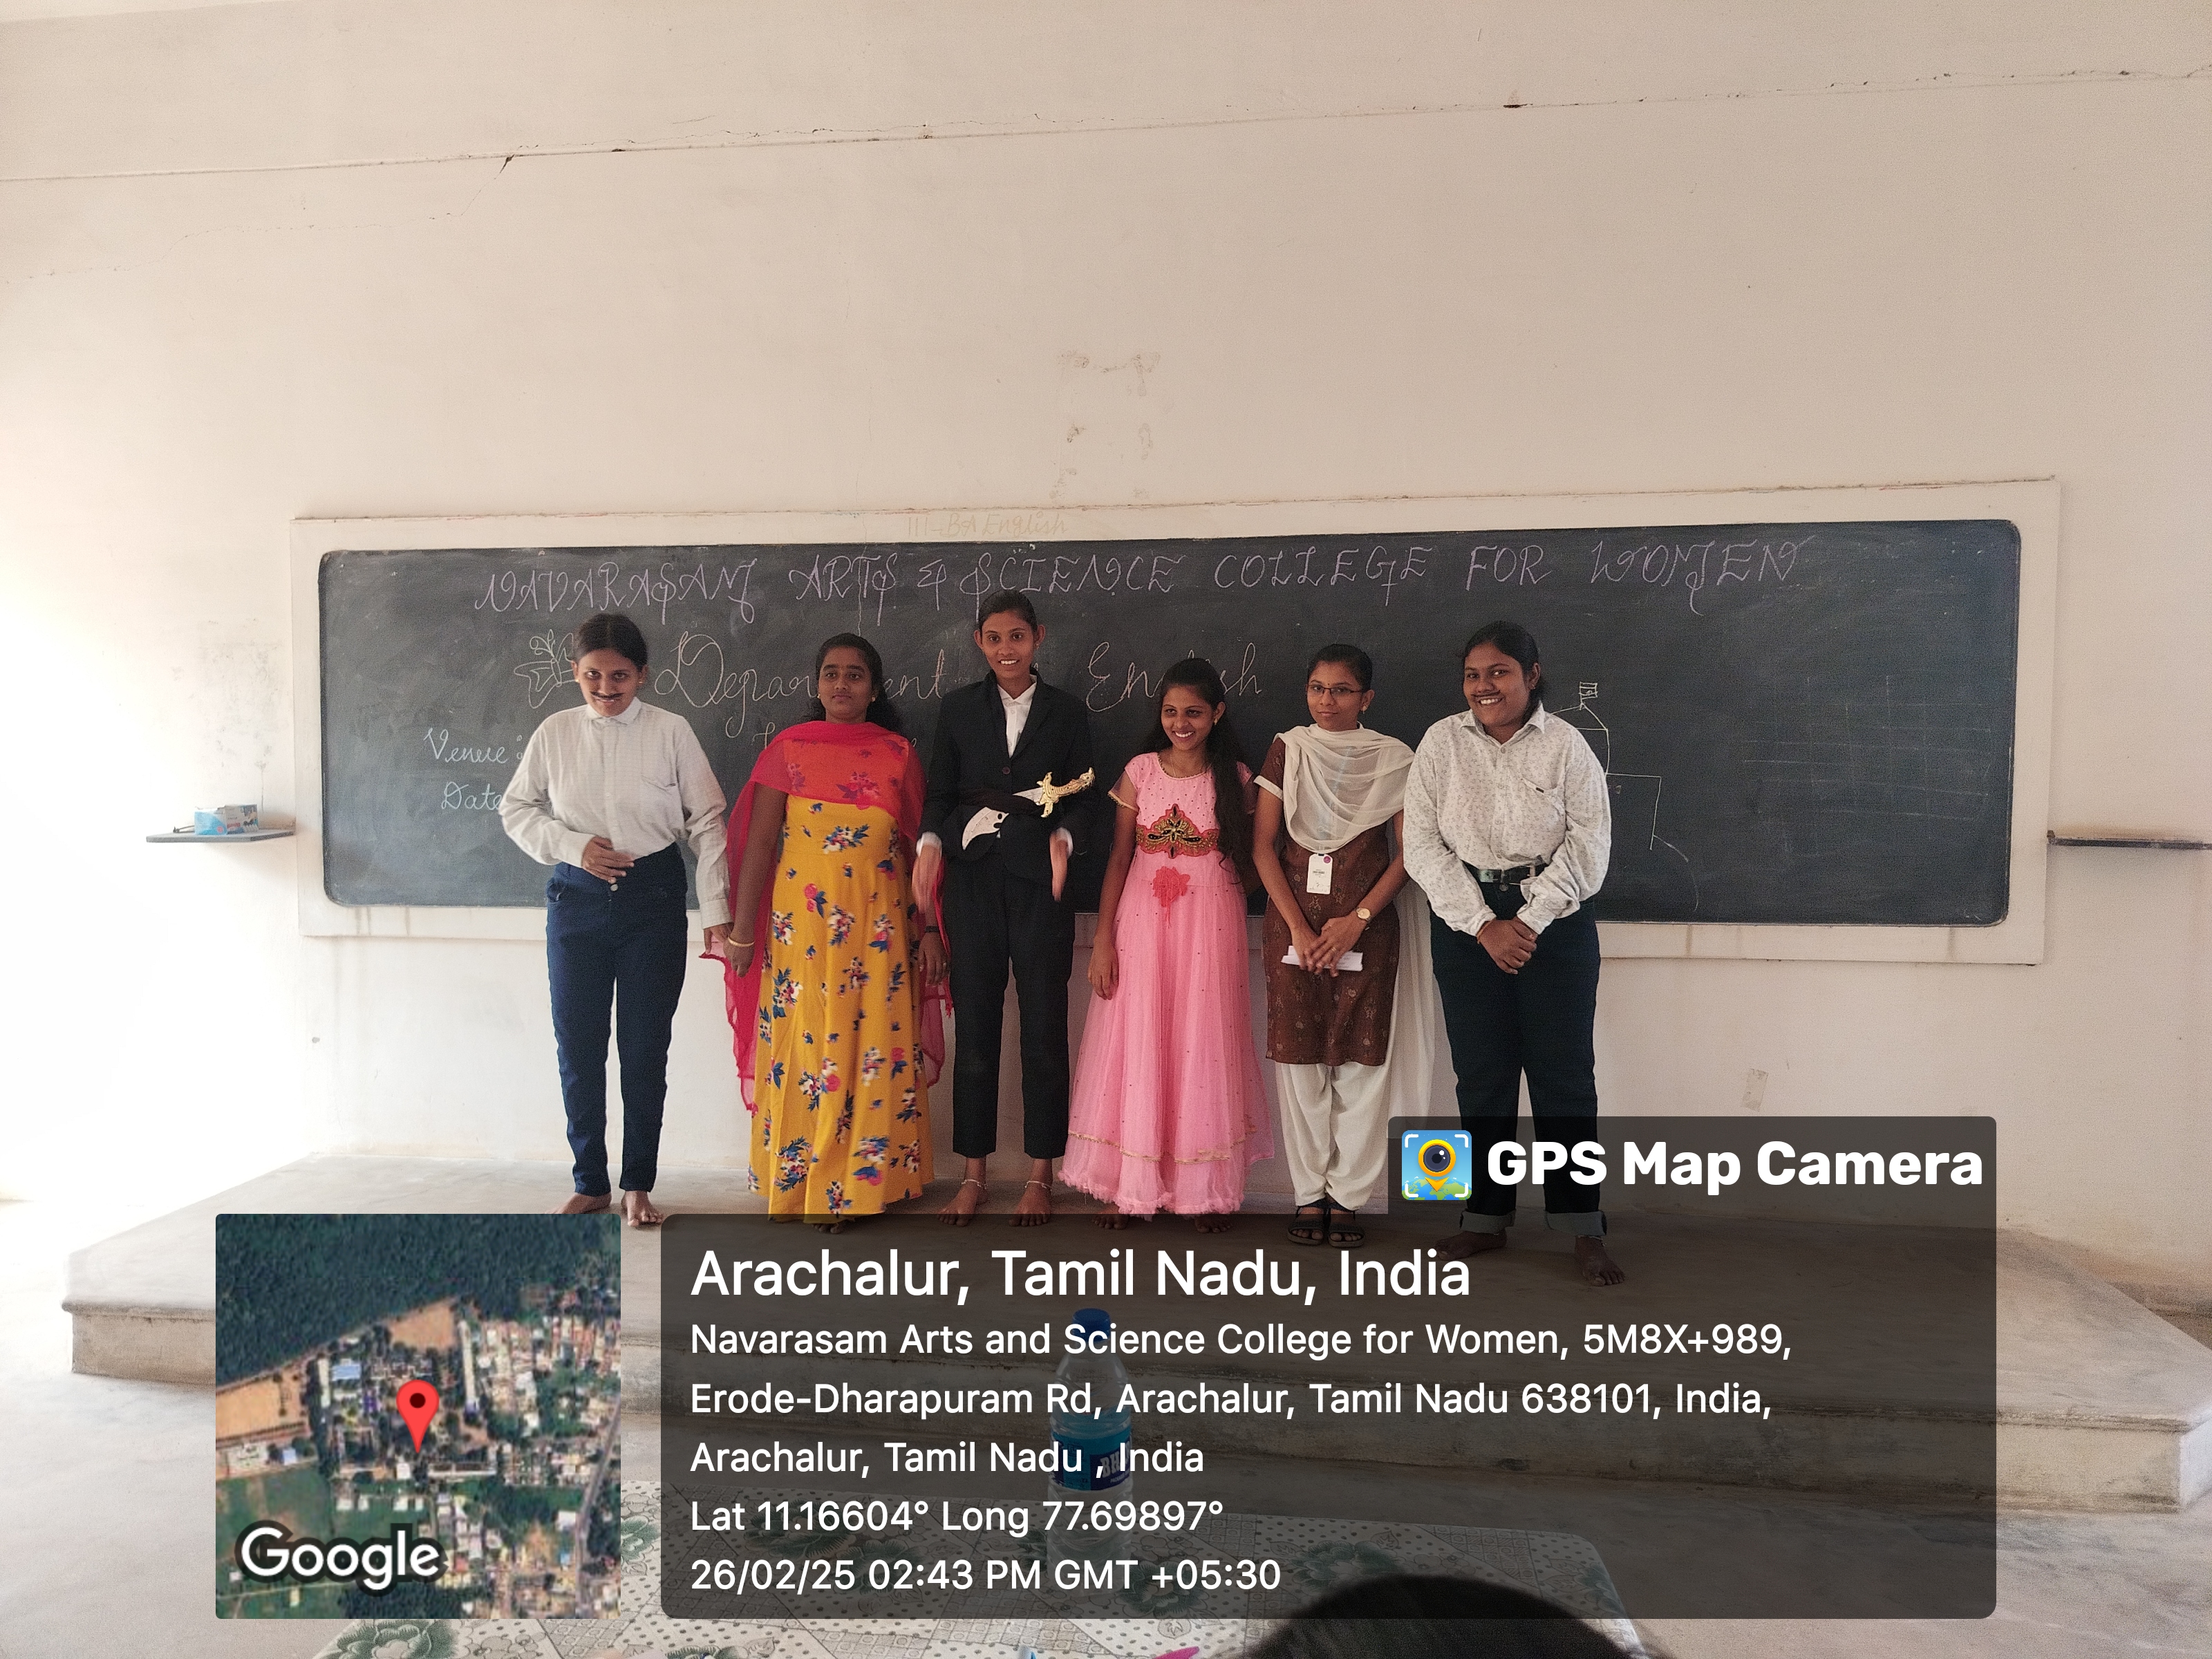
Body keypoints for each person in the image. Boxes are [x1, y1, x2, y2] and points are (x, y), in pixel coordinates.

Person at [1403, 621, 1624, 1285]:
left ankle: (1583, 1225)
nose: (1484, 686)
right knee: (1479, 1076)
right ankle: (1482, 1219)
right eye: (1473, 675)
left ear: (1531, 674)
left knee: (1565, 1079)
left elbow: (1589, 844)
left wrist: (1525, 921)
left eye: (1498, 672)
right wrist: (1482, 924)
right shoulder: (1441, 743)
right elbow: (1422, 846)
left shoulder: (1567, 745)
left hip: (1555, 924)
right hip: (1464, 924)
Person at [500, 611, 729, 1228]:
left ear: (643, 675)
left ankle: (638, 1185)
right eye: (593, 676)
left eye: (620, 676)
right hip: (576, 900)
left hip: (653, 899)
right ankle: (589, 1182)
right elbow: (516, 808)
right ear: (575, 672)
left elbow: (708, 820)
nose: (606, 688)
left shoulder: (671, 731)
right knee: (578, 1046)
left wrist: (716, 909)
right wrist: (573, 845)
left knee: (644, 1047)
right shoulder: (554, 733)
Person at [721, 633, 944, 1231]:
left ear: (874, 689)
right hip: (804, 935)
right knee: (810, 1046)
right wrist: (742, 932)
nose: (841, 684)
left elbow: (917, 852)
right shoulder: (788, 750)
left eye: (854, 674)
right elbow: (760, 846)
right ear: (817, 684)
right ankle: (801, 1180)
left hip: (879, 933)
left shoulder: (898, 755)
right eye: (831, 673)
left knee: (870, 1049)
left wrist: (928, 928)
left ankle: (857, 1186)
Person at [913, 590, 1104, 1228]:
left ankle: (1040, 1175)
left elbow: (1086, 798)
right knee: (976, 1030)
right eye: (993, 638)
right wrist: (931, 842)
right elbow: (940, 793)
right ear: (979, 641)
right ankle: (974, 1174)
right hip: (972, 885)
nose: (1006, 649)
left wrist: (1065, 839)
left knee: (1045, 1029)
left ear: (1038, 637)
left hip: (1041, 887)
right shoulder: (958, 708)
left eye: (1017, 637)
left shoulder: (1066, 712)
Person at [1062, 657, 1273, 1230]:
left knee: (1202, 1042)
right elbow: (1119, 857)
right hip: (1139, 925)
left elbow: (1258, 856)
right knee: (1138, 1042)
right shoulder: (1140, 771)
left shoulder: (1236, 778)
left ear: (1217, 714)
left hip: (1211, 927)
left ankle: (1201, 1190)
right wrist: (1103, 939)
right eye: (1172, 712)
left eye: (1195, 713)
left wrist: (1217, 891)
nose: (1182, 723)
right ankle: (1129, 1185)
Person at [1252, 644, 1444, 1249]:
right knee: (1300, 1063)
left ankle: (1348, 1198)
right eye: (1317, 688)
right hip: (1292, 928)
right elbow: (1262, 847)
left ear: (1367, 698)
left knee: (1363, 1064)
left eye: (1340, 690)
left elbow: (1409, 855)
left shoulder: (1395, 760)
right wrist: (1300, 929)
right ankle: (1309, 1195)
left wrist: (1356, 921)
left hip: (1368, 929)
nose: (1326, 701)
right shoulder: (1289, 749)